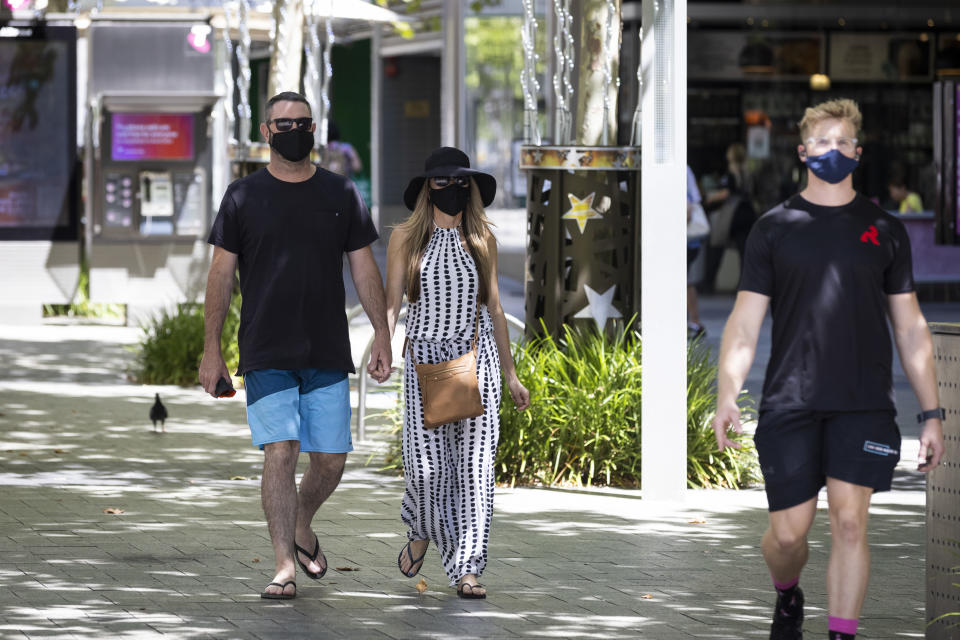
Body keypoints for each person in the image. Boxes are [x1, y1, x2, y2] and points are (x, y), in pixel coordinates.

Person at [711, 98, 944, 640]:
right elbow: (744, 326)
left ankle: (843, 634)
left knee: (849, 521)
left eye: (843, 143)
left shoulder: (885, 229)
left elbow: (910, 328)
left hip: (863, 403)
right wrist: (727, 393)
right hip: (789, 401)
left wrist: (931, 413)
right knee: (788, 537)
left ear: (858, 153)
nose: (832, 151)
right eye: (822, 142)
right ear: (802, 151)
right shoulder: (774, 228)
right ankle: (787, 595)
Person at [199, 91, 392, 600]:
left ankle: (301, 521)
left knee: (330, 461)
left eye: (302, 122)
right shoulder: (241, 196)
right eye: (282, 123)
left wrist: (382, 332)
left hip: (326, 348)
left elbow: (364, 266)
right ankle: (284, 562)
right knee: (280, 452)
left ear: (314, 128)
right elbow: (220, 276)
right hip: (265, 349)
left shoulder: (339, 192)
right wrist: (211, 350)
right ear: (266, 132)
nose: (293, 130)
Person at [385, 146, 530, 599]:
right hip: (423, 362)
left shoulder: (480, 237)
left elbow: (495, 308)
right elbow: (392, 305)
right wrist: (382, 350)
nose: (451, 190)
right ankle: (422, 530)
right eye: (441, 182)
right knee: (426, 470)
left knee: (475, 470)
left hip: (477, 362)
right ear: (427, 187)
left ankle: (467, 568)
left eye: (460, 182)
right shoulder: (405, 239)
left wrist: (510, 374)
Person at [703, 142, 757, 291]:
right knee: (743, 251)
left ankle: (709, 282)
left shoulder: (731, 173)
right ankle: (744, 284)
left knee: (717, 246)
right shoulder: (748, 173)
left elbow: (726, 192)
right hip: (748, 213)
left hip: (732, 215)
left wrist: (710, 197)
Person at [686, 165, 709, 338]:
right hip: (688, 239)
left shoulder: (682, 168)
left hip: (684, 237)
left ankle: (693, 321)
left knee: (683, 280)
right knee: (685, 280)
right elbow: (696, 197)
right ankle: (693, 320)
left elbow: (691, 202)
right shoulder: (686, 169)